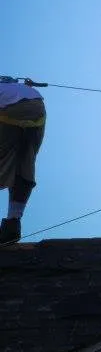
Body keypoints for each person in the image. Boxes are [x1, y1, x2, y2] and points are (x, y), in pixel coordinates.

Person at [0, 77, 46, 244]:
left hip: (8, 111)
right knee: (23, 163)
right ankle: (12, 224)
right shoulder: (22, 88)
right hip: (37, 110)